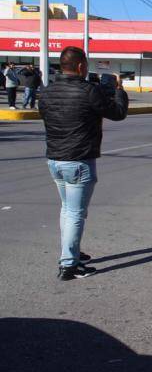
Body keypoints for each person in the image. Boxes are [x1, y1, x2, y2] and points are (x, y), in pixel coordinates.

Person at [38, 46, 129, 281]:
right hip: (78, 161)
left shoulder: (46, 92)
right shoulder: (88, 91)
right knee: (75, 213)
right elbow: (118, 113)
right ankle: (69, 265)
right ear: (80, 66)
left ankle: (73, 252)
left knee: (67, 210)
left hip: (55, 160)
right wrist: (118, 90)